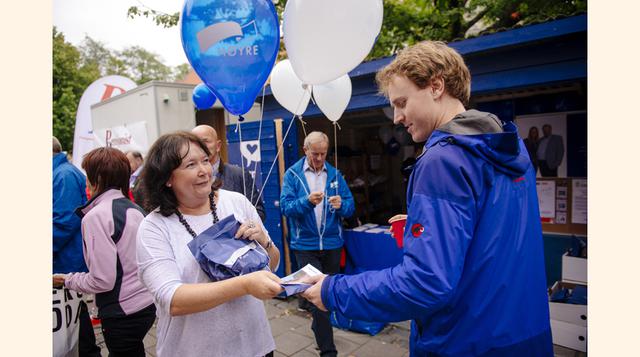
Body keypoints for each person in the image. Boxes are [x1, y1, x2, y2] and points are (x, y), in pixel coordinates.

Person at [302, 41, 552, 356]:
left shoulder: (443, 159)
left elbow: (426, 282)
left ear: (436, 86)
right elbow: (496, 236)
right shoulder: (512, 150)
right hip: (524, 334)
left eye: (402, 102)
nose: (396, 117)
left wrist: (333, 290)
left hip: (463, 341)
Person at [135, 131, 282, 357]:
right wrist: (245, 285)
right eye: (191, 164)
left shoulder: (237, 202)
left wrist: (265, 242)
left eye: (205, 160)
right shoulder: (154, 228)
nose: (204, 170)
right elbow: (172, 300)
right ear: (167, 178)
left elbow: (271, 265)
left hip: (255, 346)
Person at [53, 147, 156, 357]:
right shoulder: (132, 207)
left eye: (87, 175)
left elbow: (102, 281)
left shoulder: (97, 216)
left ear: (96, 178)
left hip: (122, 311)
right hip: (145, 304)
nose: (85, 182)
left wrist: (66, 280)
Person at [280, 131, 355, 357]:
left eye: (323, 154)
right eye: (315, 154)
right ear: (305, 150)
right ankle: (327, 350)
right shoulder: (293, 174)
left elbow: (351, 208)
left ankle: (319, 327)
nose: (320, 158)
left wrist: (342, 204)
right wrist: (306, 202)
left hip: (332, 244)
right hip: (305, 245)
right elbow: (285, 207)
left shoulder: (334, 174)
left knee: (328, 296)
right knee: (318, 296)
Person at [52, 136, 101, 357]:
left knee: (75, 318)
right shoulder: (60, 173)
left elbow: (65, 220)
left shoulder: (63, 175)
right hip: (65, 258)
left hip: (68, 261)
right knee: (73, 317)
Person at [192, 125, 266, 221]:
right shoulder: (188, 179)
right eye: (195, 143)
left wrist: (239, 226)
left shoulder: (239, 175)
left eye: (205, 141)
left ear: (218, 146)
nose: (200, 147)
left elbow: (258, 213)